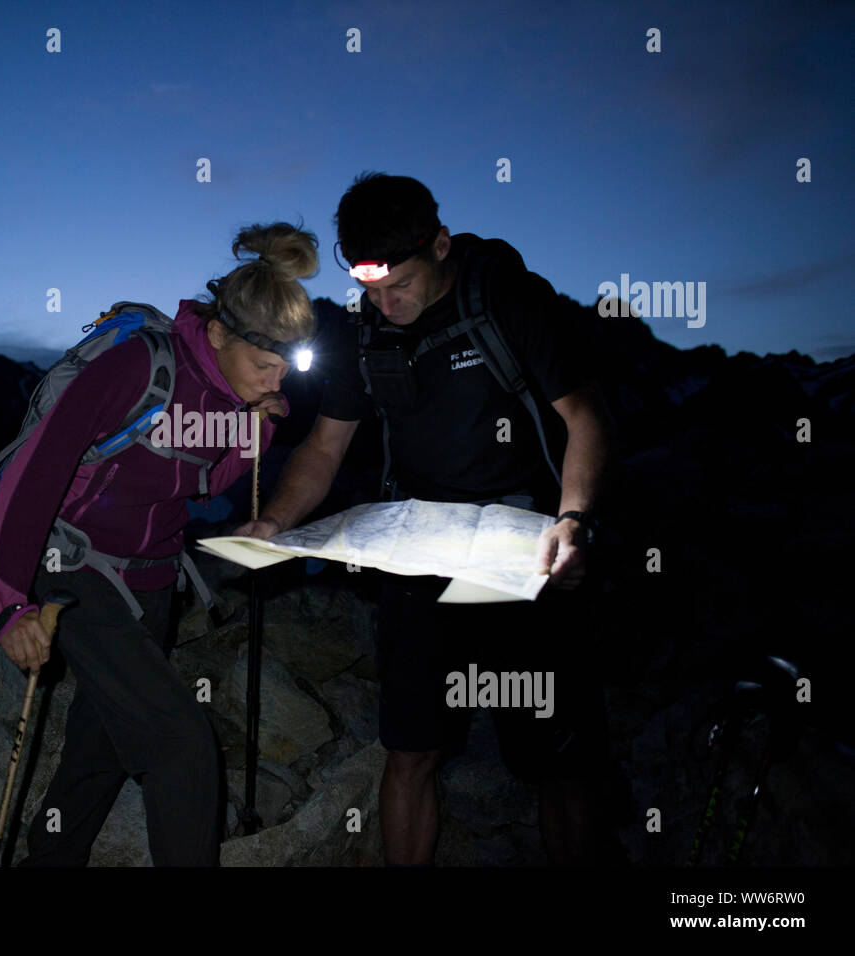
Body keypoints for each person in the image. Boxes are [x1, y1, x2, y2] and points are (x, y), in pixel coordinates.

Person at [235, 173, 621, 866]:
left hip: (522, 553)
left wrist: (575, 520)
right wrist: (272, 524)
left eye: (398, 287)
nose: (384, 304)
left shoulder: (505, 298)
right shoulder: (367, 329)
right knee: (411, 748)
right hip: (418, 555)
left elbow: (585, 414)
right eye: (370, 291)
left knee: (556, 761)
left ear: (439, 244)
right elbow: (325, 446)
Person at [0, 222, 319, 866]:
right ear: (219, 333)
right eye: (264, 366)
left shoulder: (237, 394)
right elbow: (35, 470)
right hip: (75, 568)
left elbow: (206, 486)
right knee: (181, 744)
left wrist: (260, 429)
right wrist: (6, 603)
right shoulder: (138, 365)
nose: (276, 383)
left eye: (287, 369)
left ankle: (49, 861)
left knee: (104, 739)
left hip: (154, 578)